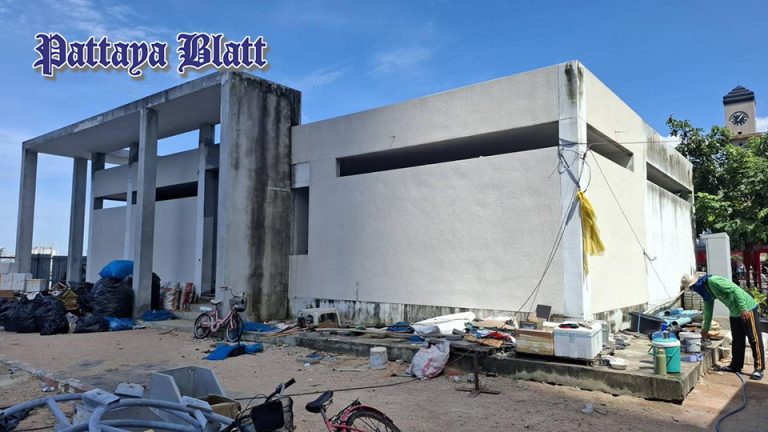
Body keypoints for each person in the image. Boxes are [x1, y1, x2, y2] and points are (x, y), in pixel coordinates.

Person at [681, 272, 764, 380]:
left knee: (754, 338)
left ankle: (759, 368)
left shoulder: (713, 281)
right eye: (691, 288)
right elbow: (708, 311)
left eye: (693, 286)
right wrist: (705, 330)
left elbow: (735, 290)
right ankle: (735, 366)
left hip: (747, 308)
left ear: (697, 283)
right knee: (737, 340)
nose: (694, 290)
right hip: (734, 312)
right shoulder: (706, 293)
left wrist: (743, 308)